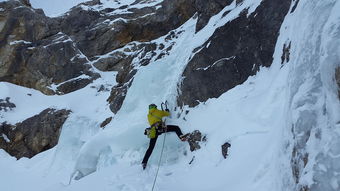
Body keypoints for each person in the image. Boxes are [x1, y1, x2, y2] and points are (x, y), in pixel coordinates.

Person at [141, 103, 188, 170]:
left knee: (150, 148)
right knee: (176, 128)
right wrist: (167, 110)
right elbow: (167, 114)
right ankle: (181, 137)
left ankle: (144, 162)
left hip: (153, 132)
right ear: (155, 107)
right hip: (160, 129)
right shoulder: (158, 111)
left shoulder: (148, 115)